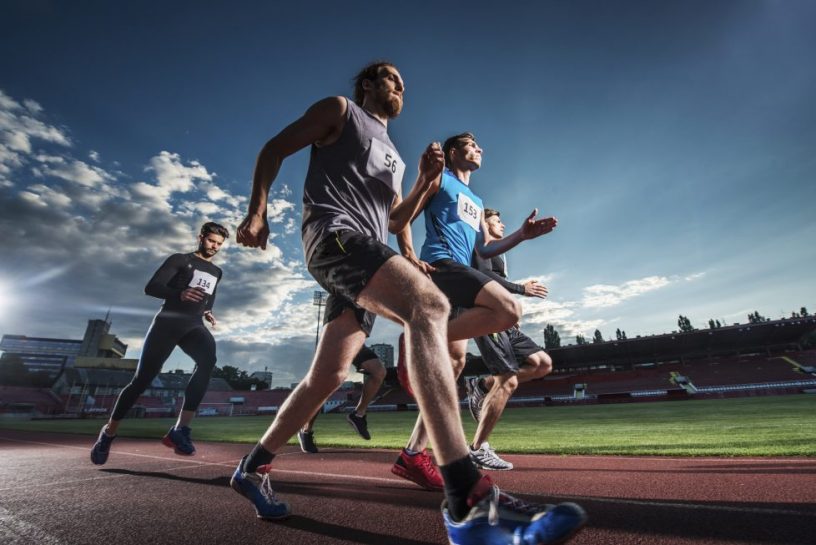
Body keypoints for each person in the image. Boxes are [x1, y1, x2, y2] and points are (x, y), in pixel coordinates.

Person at [230, 61, 586, 544]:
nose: (399, 87)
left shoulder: (396, 156)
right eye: (390, 78)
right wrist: (258, 211)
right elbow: (274, 148)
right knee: (430, 307)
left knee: (328, 376)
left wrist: (421, 183)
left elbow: (396, 215)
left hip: (365, 253)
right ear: (368, 85)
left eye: (403, 83)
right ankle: (469, 498)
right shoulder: (341, 112)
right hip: (334, 237)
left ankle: (252, 467)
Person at [391, 132, 557, 487]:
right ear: (454, 152)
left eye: (480, 145)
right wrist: (408, 255)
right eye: (471, 144)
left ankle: (412, 455)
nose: (479, 148)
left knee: (452, 367)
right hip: (441, 266)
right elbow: (402, 215)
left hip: (461, 273)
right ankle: (419, 335)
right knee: (508, 309)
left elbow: (486, 246)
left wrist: (522, 236)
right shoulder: (439, 178)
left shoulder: (478, 201)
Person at [90, 222, 228, 465]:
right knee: (142, 380)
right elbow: (151, 287)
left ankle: (180, 430)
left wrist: (208, 311)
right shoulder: (179, 260)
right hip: (167, 323)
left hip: (194, 325)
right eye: (211, 241)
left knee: (208, 361)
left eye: (219, 244)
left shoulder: (217, 272)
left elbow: (209, 297)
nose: (214, 247)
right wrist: (180, 293)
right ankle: (109, 432)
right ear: (200, 237)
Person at [465, 208, 554, 471]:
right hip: (486, 317)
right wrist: (520, 290)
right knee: (509, 379)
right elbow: (483, 278)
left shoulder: (498, 251)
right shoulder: (479, 245)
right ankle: (478, 449)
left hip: (503, 318)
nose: (502, 224)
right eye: (497, 220)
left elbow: (497, 282)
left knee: (542, 364)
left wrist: (510, 307)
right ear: (484, 223)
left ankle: (481, 386)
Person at [297, 343, 387, 453]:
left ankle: (358, 415)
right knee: (322, 389)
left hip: (355, 340)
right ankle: (305, 430)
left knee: (378, 371)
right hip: (334, 339)